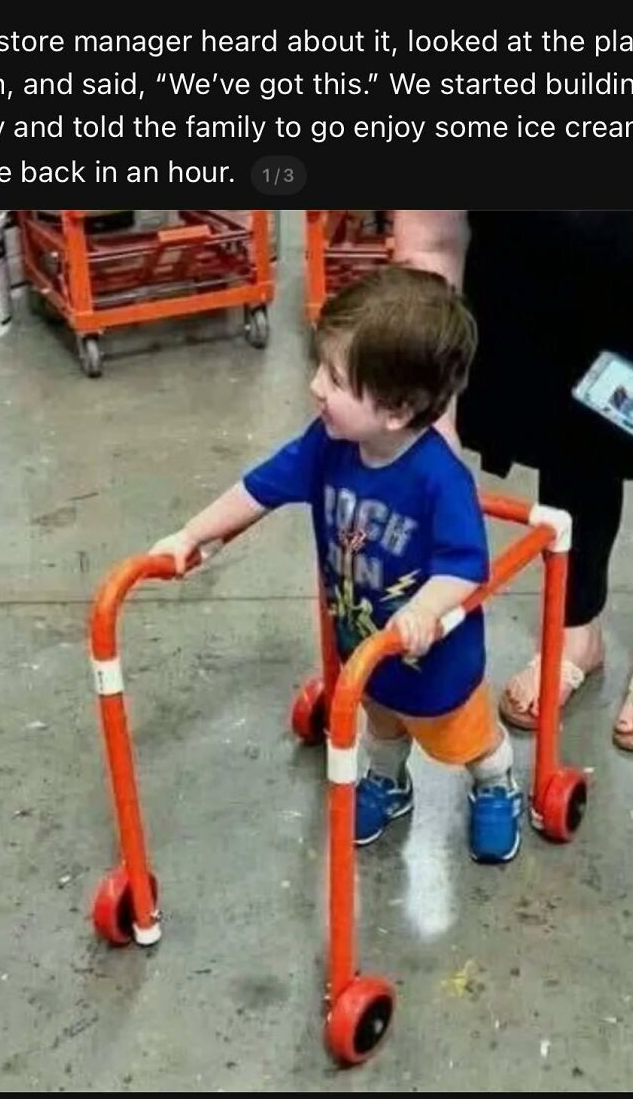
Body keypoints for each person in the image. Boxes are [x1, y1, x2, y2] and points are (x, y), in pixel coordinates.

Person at [150, 265, 522, 862]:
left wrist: (425, 611)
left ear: (396, 410)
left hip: (433, 661)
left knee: (464, 739)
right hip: (362, 642)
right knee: (381, 722)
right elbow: (260, 487)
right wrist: (192, 534)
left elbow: (465, 566)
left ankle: (496, 783)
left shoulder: (439, 479)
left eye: (336, 378)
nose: (315, 386)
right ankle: (390, 781)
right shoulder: (329, 445)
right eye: (320, 368)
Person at [394, 211, 633, 754]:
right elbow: (431, 244)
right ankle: (575, 630)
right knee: (568, 446)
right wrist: (436, 417)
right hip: (561, 299)